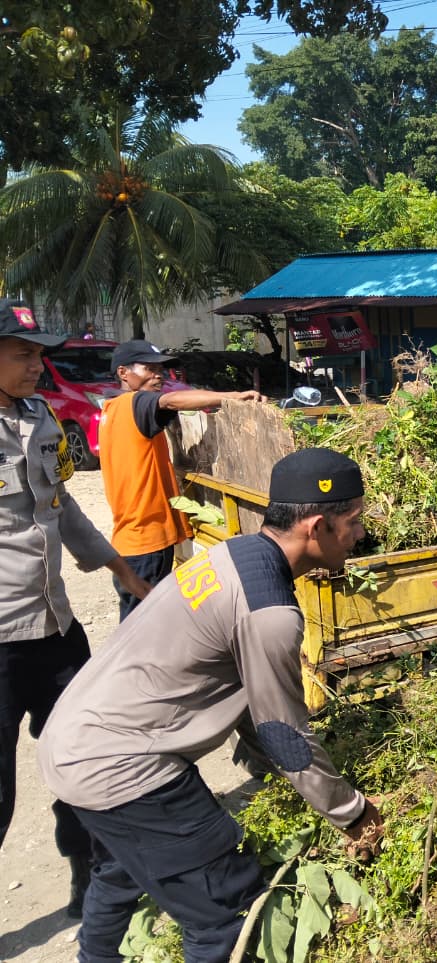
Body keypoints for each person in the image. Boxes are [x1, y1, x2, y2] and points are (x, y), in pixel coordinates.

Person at [38, 447, 385, 963]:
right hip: (120, 764)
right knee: (227, 908)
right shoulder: (271, 613)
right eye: (354, 522)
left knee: (120, 869)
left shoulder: (233, 554)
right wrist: (352, 813)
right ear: (317, 527)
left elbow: (247, 698)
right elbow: (283, 733)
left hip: (74, 738)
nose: (361, 535)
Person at [0, 299, 153, 918]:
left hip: (56, 626)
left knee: (80, 754)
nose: (36, 365)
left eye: (39, 354)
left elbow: (62, 506)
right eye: (21, 353)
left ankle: (87, 877)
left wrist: (124, 573)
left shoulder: (39, 419)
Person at [100, 339, 265, 620]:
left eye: (161, 369)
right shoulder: (135, 402)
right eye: (148, 368)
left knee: (139, 624)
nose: (158, 375)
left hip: (133, 538)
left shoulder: (113, 409)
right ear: (123, 373)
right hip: (146, 540)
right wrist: (235, 396)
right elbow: (171, 400)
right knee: (143, 627)